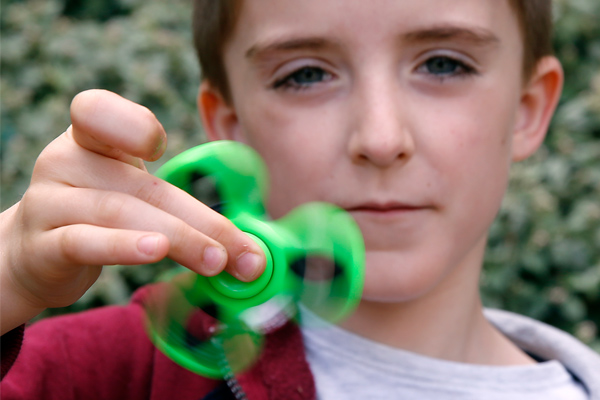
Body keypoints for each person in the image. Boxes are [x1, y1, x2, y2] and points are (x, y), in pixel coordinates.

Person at [1, 0, 599, 399]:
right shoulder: (119, 373)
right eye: (306, 75)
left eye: (444, 64)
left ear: (528, 110)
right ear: (229, 127)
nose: (382, 139)